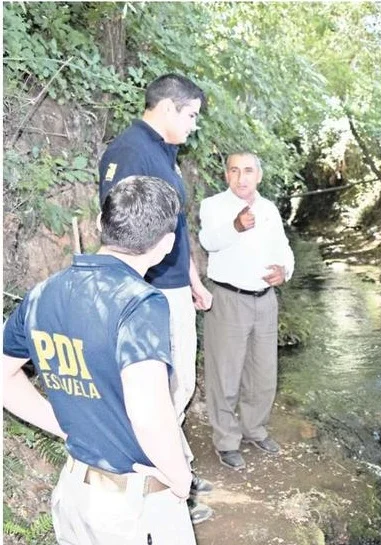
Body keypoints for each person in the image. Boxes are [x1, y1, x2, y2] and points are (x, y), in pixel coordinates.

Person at [3, 176, 196, 545]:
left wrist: (63, 425)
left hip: (75, 495)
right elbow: (148, 412)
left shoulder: (43, 293)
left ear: (98, 225)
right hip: (132, 510)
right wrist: (180, 477)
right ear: (167, 245)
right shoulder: (140, 303)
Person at [98, 73, 214, 522]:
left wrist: (193, 280)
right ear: (167, 108)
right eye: (191, 115)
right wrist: (146, 291)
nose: (194, 125)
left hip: (173, 284)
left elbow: (173, 225)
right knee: (164, 389)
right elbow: (124, 232)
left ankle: (175, 465)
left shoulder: (162, 152)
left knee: (177, 383)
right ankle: (164, 484)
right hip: (151, 291)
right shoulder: (132, 152)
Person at [199, 152, 294, 470]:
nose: (242, 177)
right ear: (226, 175)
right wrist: (235, 227)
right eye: (235, 171)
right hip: (229, 298)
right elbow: (208, 241)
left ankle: (255, 429)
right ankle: (226, 441)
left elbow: (284, 249)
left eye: (248, 171)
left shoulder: (268, 209)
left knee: (263, 372)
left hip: (265, 300)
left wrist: (285, 271)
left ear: (259, 176)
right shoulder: (213, 206)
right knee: (225, 374)